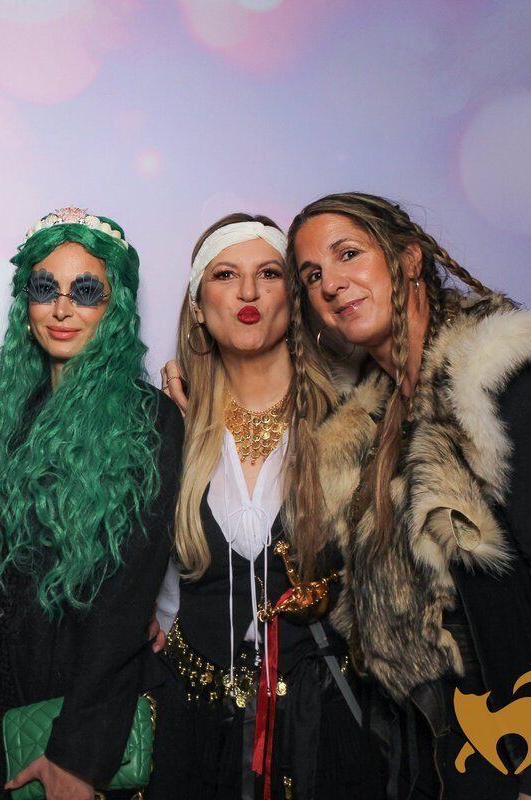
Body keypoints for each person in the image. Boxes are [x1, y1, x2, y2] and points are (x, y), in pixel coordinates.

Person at [288, 191, 531, 799]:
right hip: (435, 759)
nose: (331, 284)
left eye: (348, 254)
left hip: (522, 748)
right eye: (312, 275)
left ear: (409, 259)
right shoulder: (374, 424)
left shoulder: (505, 382)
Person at [146, 214, 382, 799]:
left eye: (269, 274)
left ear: (295, 300)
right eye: (226, 275)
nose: (248, 292)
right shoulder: (169, 425)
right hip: (194, 729)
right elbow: (156, 584)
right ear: (198, 307)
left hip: (323, 724)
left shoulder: (353, 419)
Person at [0, 207, 182, 800]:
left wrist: (75, 755)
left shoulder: (149, 418)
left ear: (114, 307)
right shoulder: (4, 415)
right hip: (9, 690)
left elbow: (128, 597)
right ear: (26, 303)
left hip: (97, 706)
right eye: (46, 289)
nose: (62, 309)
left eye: (86, 291)